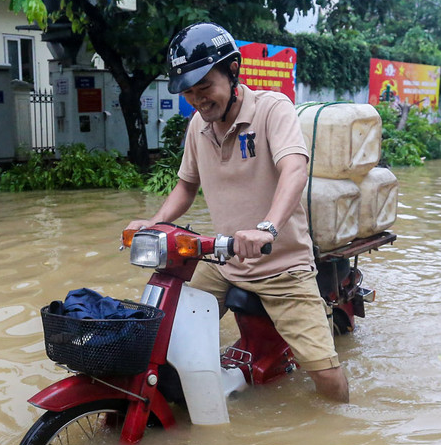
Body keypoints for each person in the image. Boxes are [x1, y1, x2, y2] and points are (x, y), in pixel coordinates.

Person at [124, 22, 349, 402]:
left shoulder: (272, 109)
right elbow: (185, 185)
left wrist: (267, 229)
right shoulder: (198, 125)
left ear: (233, 69)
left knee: (327, 377)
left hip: (281, 265)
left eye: (205, 87)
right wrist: (155, 222)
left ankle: (343, 435)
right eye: (190, 93)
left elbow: (294, 169)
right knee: (167, 335)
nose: (198, 100)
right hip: (223, 258)